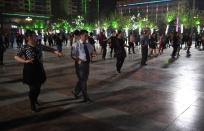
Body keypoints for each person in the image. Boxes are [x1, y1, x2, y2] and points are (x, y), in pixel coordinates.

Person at [14, 30, 63, 112]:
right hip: (29, 69)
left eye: (35, 35)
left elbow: (49, 49)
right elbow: (16, 57)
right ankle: (32, 104)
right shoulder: (24, 47)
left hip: (39, 68)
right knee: (33, 88)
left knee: (38, 88)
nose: (36, 37)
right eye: (34, 35)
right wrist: (25, 61)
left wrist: (57, 52)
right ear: (29, 37)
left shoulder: (39, 45)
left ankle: (35, 99)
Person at [71, 30, 94, 102]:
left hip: (87, 64)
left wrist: (93, 54)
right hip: (80, 65)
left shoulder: (88, 44)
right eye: (85, 36)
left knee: (83, 79)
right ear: (80, 36)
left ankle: (75, 92)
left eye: (87, 36)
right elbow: (72, 55)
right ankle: (85, 97)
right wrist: (78, 60)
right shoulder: (76, 44)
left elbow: (91, 51)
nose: (87, 37)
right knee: (83, 81)